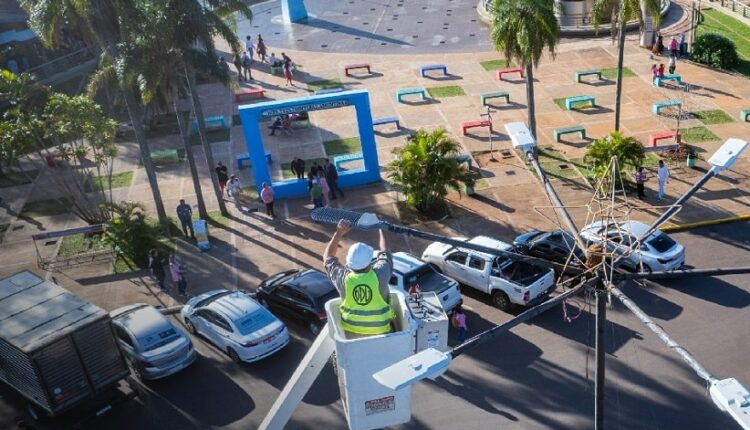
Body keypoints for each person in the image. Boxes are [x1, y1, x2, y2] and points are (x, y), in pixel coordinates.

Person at [323, 219, 395, 338]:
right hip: (381, 333)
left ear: (349, 262)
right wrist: (382, 228)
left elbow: (327, 258)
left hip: (351, 334)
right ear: (369, 263)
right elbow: (385, 251)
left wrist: (339, 233)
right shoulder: (380, 275)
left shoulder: (342, 278)